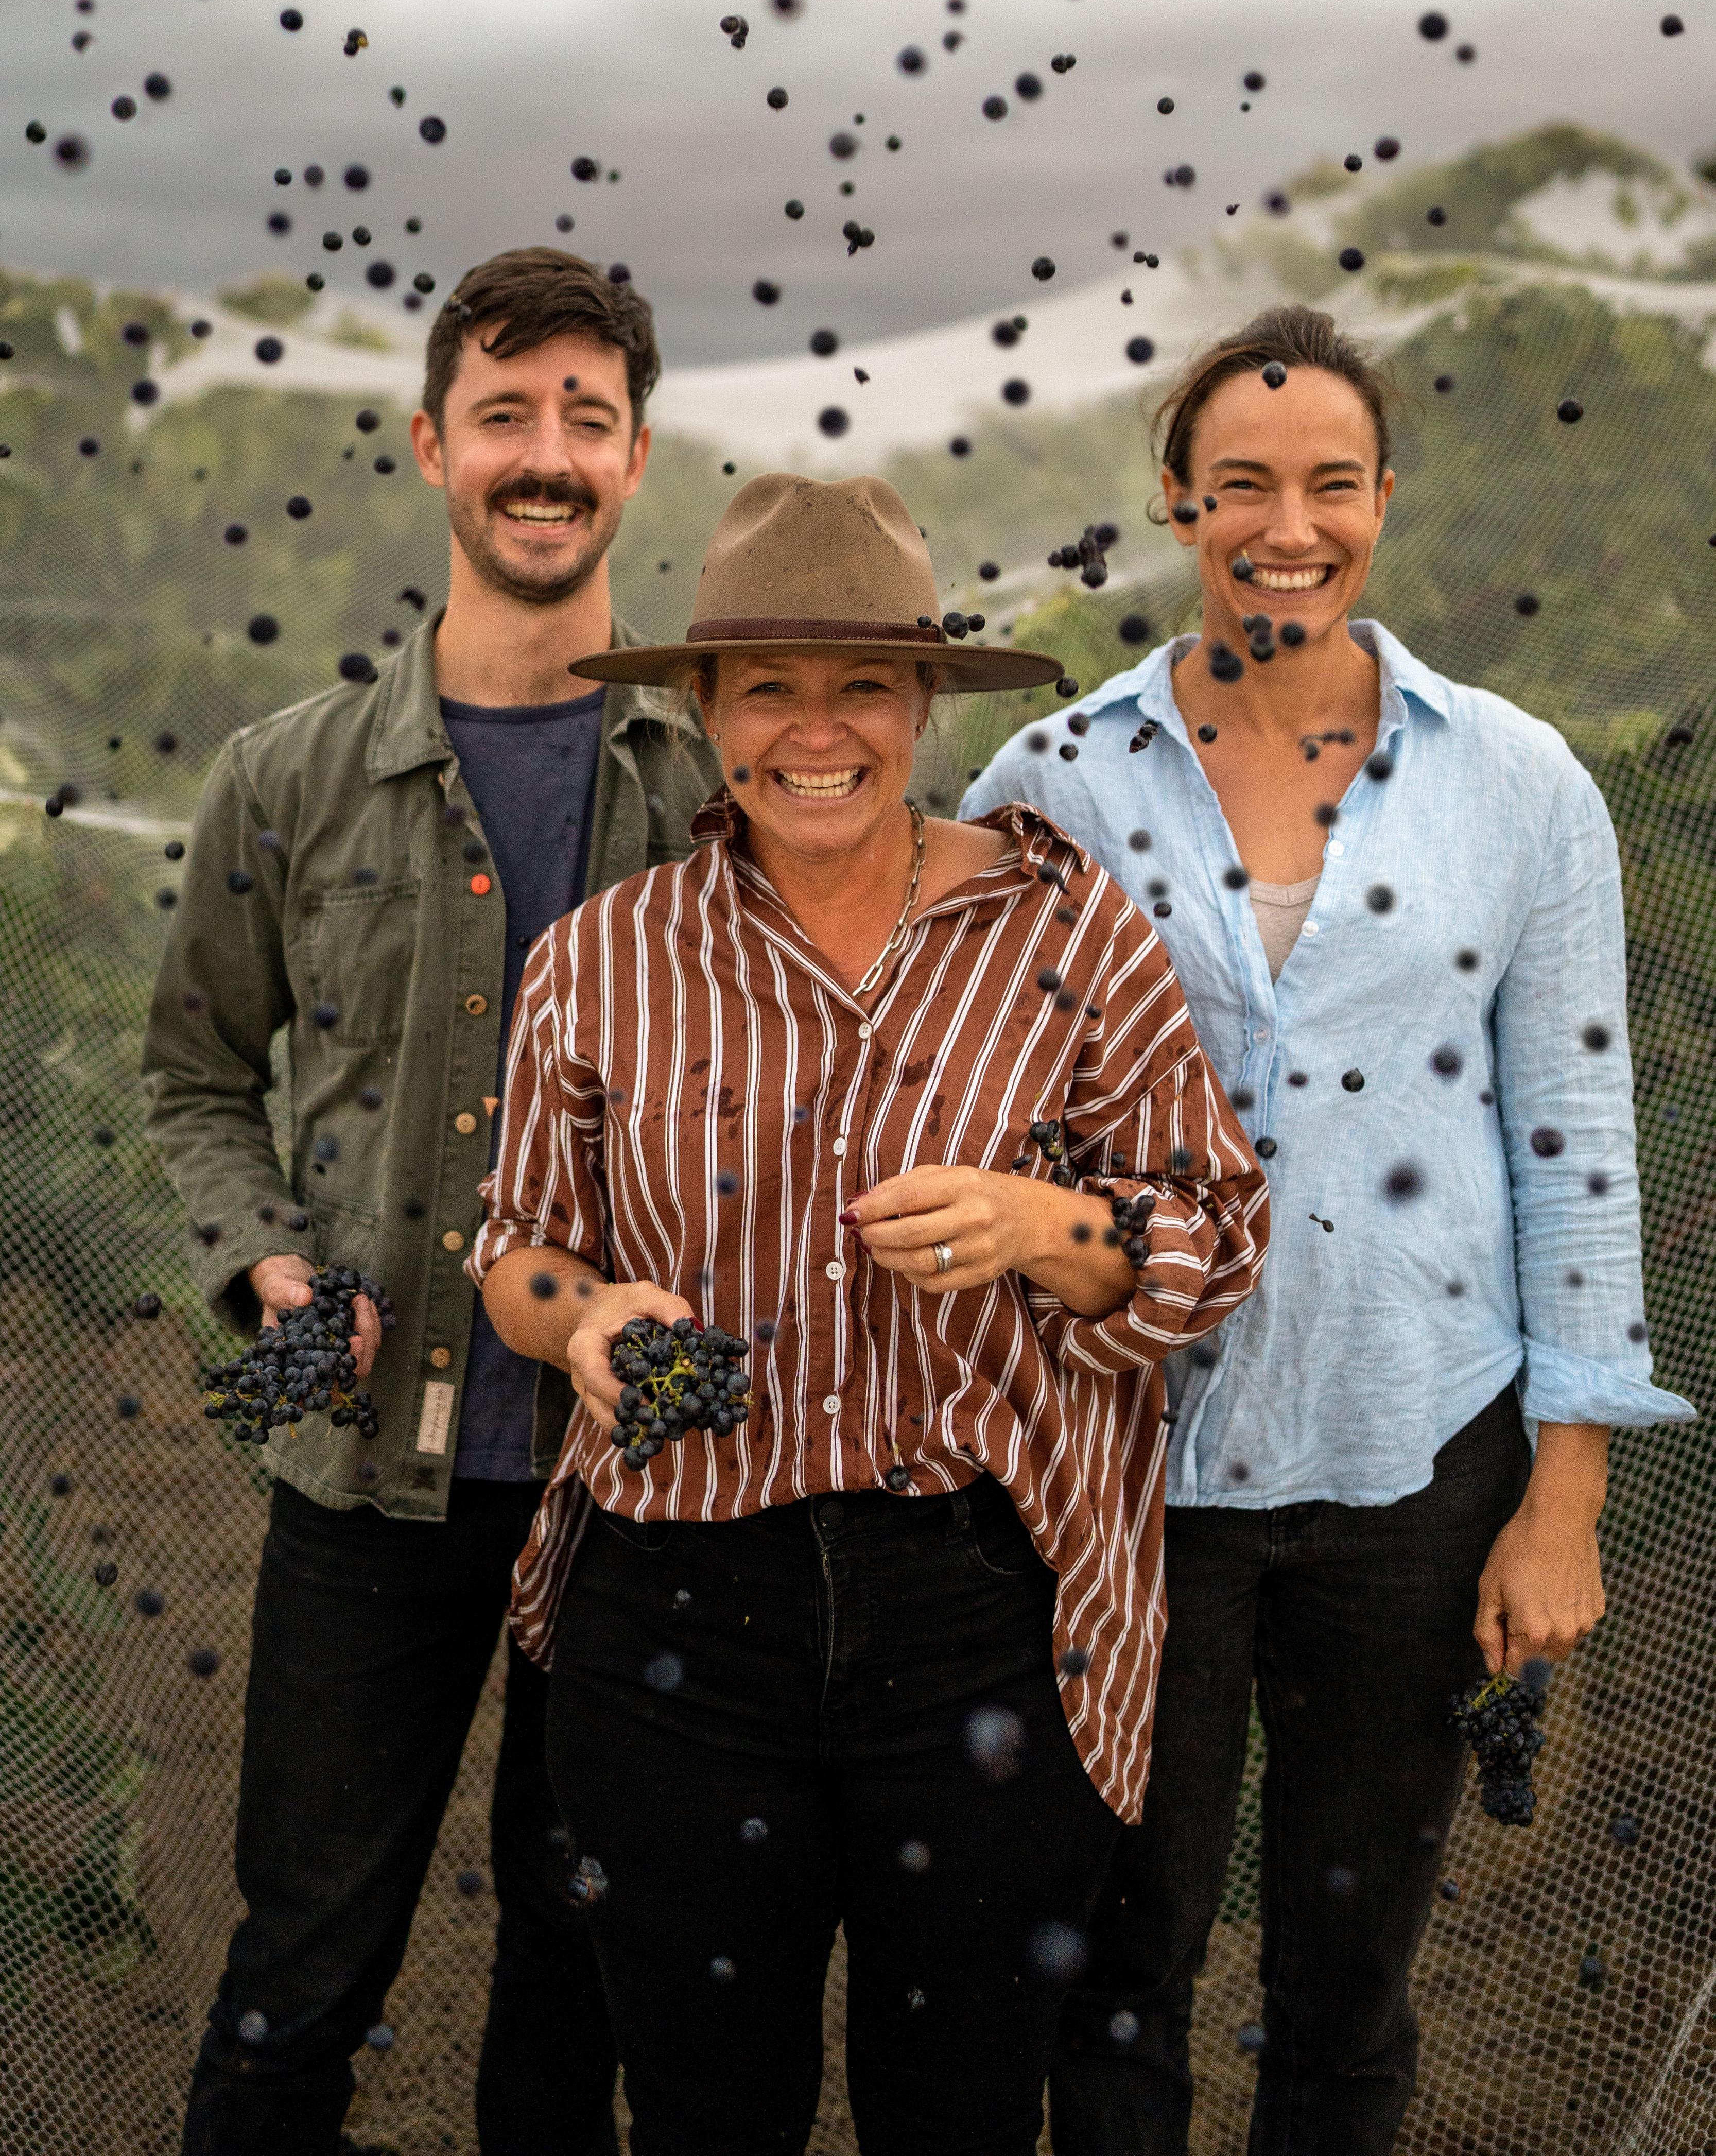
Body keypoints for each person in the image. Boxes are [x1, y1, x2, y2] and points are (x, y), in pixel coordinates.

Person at [963, 302, 1695, 2156]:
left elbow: (1574, 1132)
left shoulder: (1516, 783)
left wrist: (1565, 1498)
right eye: (1244, 486)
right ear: (1176, 501)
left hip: (1419, 1453)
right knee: (1119, 1966)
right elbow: (958, 1085)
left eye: (1331, 484)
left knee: (1349, 1984)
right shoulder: (1054, 780)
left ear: (1383, 498)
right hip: (1138, 1468)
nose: (1289, 524)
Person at [471, 471, 1269, 2156]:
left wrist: (1042, 1222)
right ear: (702, 706)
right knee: (701, 2107)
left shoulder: (1066, 931)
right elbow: (520, 1245)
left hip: (977, 1605)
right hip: (678, 1613)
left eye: (863, 689)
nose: (814, 731)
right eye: (767, 685)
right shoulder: (603, 961)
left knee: (964, 2110)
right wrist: (589, 1324)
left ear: (922, 704)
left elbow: (1217, 1230)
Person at [143, 247, 717, 2156]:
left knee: (578, 1986)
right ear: (429, 449)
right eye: (504, 415)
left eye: (585, 419)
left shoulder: (723, 785)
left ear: (637, 457)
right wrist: (268, 1269)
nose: (542, 457)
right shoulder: (289, 781)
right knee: (303, 1970)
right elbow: (197, 1077)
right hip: (364, 1483)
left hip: (634, 1493)